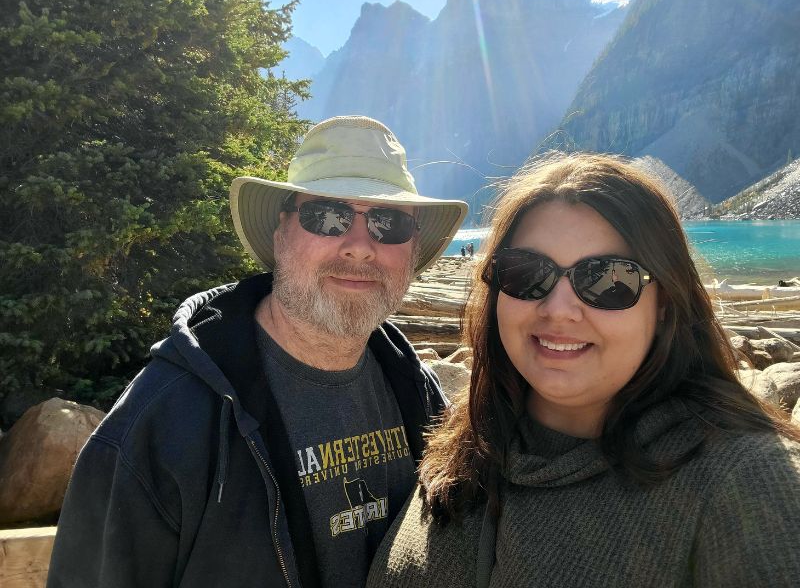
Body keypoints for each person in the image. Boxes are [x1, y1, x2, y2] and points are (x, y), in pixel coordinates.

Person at [47, 115, 468, 588]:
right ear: (281, 232)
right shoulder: (160, 425)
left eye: (388, 224)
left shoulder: (418, 391)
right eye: (327, 216)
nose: (359, 247)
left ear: (411, 250)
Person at [367, 152, 800, 587]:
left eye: (608, 278)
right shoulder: (468, 439)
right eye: (526, 273)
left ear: (666, 303)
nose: (558, 309)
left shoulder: (748, 484)